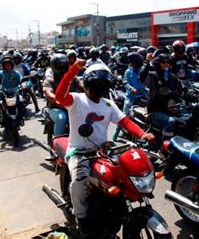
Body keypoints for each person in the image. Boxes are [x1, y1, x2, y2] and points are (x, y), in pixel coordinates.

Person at [54, 59, 154, 236]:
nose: (99, 87)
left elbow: (125, 122)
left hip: (102, 150)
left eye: (103, 84)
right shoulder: (76, 100)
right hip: (78, 151)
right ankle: (81, 216)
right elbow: (59, 96)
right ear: (87, 84)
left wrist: (142, 134)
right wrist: (72, 71)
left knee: (122, 176)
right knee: (79, 182)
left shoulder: (108, 104)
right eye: (96, 83)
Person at [0, 57, 23, 141]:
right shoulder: (0, 74)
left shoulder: (15, 73)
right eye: (6, 65)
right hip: (2, 94)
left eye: (9, 64)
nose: (8, 66)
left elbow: (21, 80)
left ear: (12, 65)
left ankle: (20, 120)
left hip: (14, 94)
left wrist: (24, 84)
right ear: (3, 66)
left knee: (22, 105)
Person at [112, 52, 147, 140]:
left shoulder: (144, 71)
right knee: (124, 115)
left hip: (144, 95)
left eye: (132, 62)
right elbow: (125, 82)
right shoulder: (128, 71)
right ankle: (117, 132)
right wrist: (131, 89)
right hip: (131, 96)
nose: (130, 63)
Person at [43, 54, 71, 140]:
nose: (62, 67)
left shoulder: (72, 78)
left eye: (64, 64)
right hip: (55, 108)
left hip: (72, 106)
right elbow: (48, 92)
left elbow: (82, 87)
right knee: (61, 118)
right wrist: (58, 100)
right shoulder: (49, 80)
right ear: (53, 65)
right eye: (59, 65)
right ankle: (58, 143)